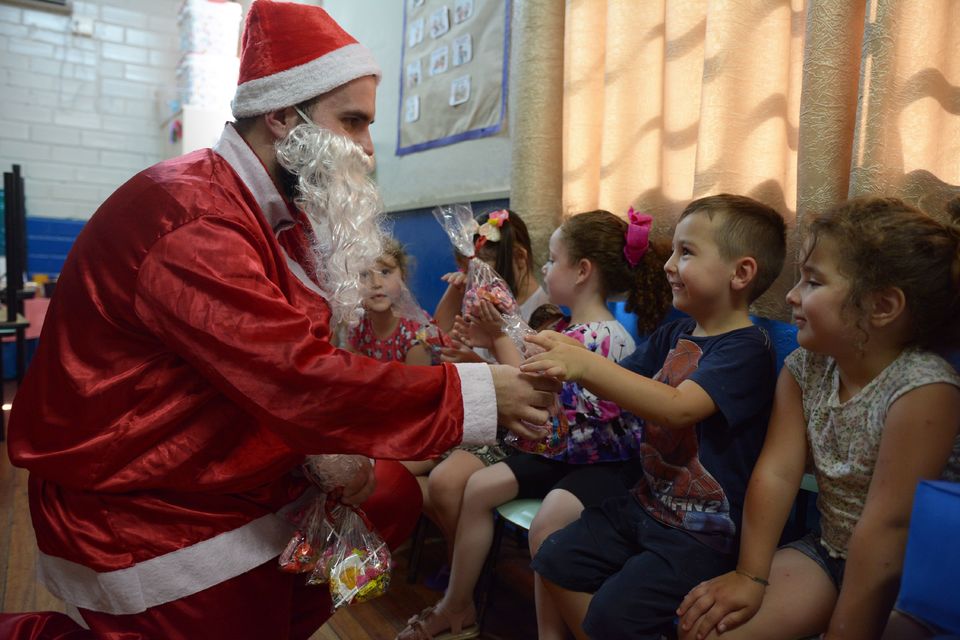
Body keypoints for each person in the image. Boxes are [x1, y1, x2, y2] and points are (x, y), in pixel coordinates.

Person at [3, 2, 555, 638]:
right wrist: (480, 393)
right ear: (283, 117)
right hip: (143, 502)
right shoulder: (193, 219)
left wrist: (324, 450)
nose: (367, 150)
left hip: (220, 467)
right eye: (352, 122)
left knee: (391, 496)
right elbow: (295, 377)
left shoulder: (269, 214)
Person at [676, 197, 960, 640]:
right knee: (709, 631)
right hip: (830, 551)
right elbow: (777, 472)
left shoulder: (924, 389)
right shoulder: (804, 368)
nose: (791, 295)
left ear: (882, 306)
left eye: (812, 281)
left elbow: (887, 528)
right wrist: (750, 576)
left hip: (911, 575)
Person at [397, 209, 673, 639]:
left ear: (582, 271)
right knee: (478, 487)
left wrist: (499, 339)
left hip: (598, 464)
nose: (546, 268)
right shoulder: (565, 326)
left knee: (543, 522)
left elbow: (536, 397)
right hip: (562, 453)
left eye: (554, 259)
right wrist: (491, 341)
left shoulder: (606, 337)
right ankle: (457, 604)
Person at [522, 194, 787, 640]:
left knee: (613, 616)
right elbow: (621, 386)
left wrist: (584, 365)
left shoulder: (747, 348)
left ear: (740, 273)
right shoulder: (674, 333)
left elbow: (677, 407)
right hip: (646, 504)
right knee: (554, 558)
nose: (668, 264)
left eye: (687, 252)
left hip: (700, 531)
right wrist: (566, 352)